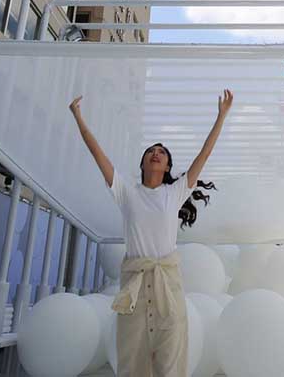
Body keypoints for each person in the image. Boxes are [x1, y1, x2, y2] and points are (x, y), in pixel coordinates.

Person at [71, 89, 233, 377]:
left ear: (168, 166)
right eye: (151, 152)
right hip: (133, 288)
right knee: (133, 365)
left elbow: (204, 154)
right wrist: (78, 117)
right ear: (143, 164)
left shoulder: (175, 192)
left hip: (167, 290)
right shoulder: (126, 192)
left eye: (162, 153)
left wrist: (221, 116)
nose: (156, 154)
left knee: (171, 364)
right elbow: (98, 154)